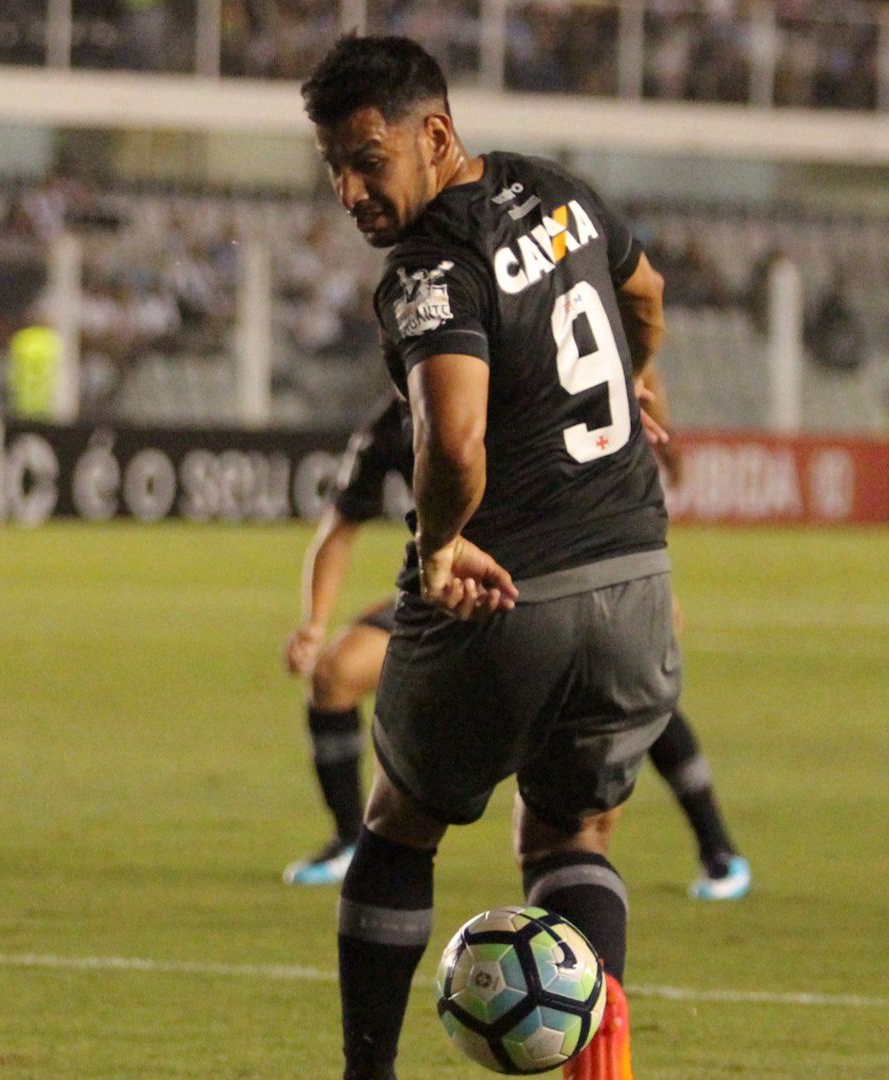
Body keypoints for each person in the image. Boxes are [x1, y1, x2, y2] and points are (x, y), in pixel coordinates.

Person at [304, 35, 680, 1079]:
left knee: (400, 825)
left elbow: (454, 438)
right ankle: (599, 1072)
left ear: (436, 135)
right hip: (639, 580)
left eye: (367, 161)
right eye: (333, 166)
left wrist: (438, 551)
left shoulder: (431, 264)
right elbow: (645, 296)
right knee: (571, 835)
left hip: (509, 594)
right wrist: (640, 387)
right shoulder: (564, 191)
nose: (349, 190)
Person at [281, 393, 751, 901]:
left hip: (552, 579)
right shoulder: (392, 422)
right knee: (334, 674)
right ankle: (350, 840)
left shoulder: (526, 394)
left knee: (622, 687)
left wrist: (647, 586)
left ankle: (717, 849)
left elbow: (608, 498)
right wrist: (314, 624)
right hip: (448, 592)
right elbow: (339, 527)